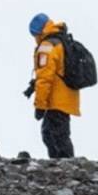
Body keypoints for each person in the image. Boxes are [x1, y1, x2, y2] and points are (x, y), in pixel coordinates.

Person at [26, 13, 80, 159]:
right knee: (52, 133)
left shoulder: (46, 47)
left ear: (38, 32)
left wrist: (40, 106)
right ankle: (61, 165)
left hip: (56, 100)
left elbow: (44, 79)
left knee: (56, 136)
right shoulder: (60, 41)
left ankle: (65, 166)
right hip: (66, 97)